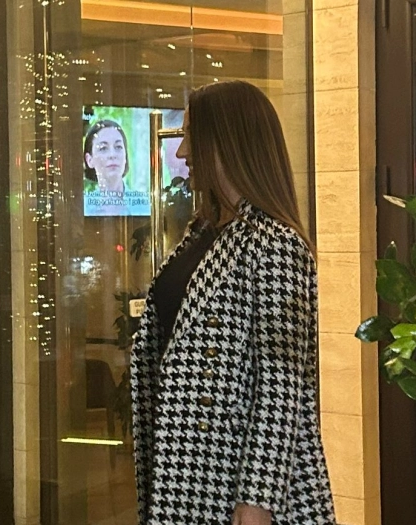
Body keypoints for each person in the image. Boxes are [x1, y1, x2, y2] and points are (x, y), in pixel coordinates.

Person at [130, 80, 335, 525]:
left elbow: (282, 384)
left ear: (226, 141)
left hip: (236, 480)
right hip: (187, 470)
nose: (183, 152)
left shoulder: (276, 244)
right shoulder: (201, 234)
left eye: (190, 135)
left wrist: (258, 498)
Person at [84, 119, 129, 194]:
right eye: (103, 148)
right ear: (89, 160)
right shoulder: (82, 201)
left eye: (118, 147)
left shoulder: (144, 201)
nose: (112, 155)